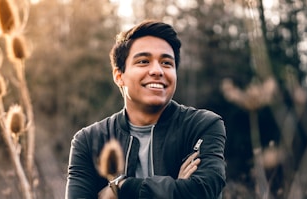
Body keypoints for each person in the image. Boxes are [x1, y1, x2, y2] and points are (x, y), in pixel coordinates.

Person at [65, 20, 227, 199]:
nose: (157, 70)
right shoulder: (89, 141)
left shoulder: (202, 125)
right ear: (119, 76)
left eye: (166, 63)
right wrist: (176, 187)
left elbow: (202, 192)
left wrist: (121, 187)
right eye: (143, 61)